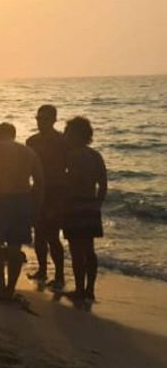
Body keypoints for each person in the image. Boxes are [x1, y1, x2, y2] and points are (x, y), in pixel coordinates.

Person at [0, 122, 44, 300]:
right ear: (13, 135)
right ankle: (10, 288)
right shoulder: (29, 152)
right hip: (22, 201)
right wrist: (36, 204)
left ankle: (1, 285)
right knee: (15, 247)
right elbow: (39, 181)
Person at [62, 116, 107, 303]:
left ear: (75, 134)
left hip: (74, 205)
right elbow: (103, 184)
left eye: (68, 133)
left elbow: (70, 182)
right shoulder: (95, 155)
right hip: (90, 205)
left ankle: (80, 289)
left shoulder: (72, 156)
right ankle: (90, 289)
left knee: (76, 250)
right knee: (89, 249)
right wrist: (97, 203)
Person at [26, 105, 68, 288]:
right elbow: (27, 168)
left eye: (45, 119)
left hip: (56, 192)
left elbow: (69, 166)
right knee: (39, 234)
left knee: (53, 235)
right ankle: (42, 270)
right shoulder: (31, 141)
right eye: (39, 118)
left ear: (53, 120)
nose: (41, 122)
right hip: (37, 191)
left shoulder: (62, 141)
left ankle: (59, 275)